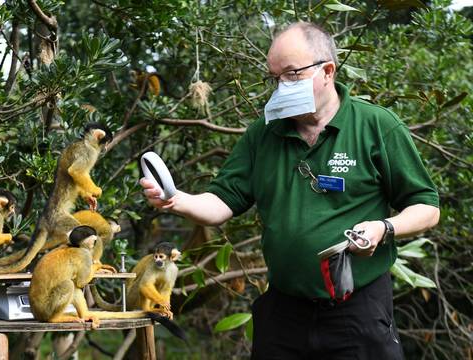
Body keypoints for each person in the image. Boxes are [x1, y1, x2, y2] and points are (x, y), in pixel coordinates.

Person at [140, 21, 440, 359]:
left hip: (358, 309)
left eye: (292, 74)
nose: (282, 86)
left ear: (328, 71)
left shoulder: (376, 126)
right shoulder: (263, 134)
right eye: (274, 77)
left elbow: (427, 206)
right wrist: (178, 199)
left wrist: (384, 228)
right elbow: (223, 201)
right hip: (284, 310)